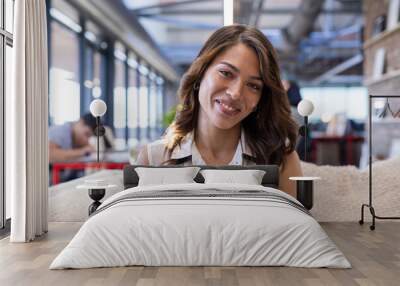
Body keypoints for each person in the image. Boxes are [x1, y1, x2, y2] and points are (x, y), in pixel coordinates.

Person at [136, 24, 302, 197]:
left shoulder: (281, 160)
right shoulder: (153, 158)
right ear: (200, 73)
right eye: (226, 73)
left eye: (253, 85)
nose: (236, 93)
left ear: (261, 99)